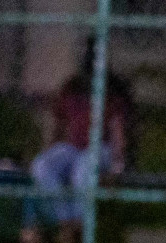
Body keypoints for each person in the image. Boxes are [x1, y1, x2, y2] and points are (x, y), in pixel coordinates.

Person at [30, 39, 133, 227]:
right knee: (41, 166)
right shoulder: (72, 87)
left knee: (83, 169)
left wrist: (117, 167)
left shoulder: (113, 89)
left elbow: (119, 133)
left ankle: (80, 220)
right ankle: (65, 218)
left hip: (101, 149)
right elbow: (57, 126)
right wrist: (49, 150)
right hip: (73, 148)